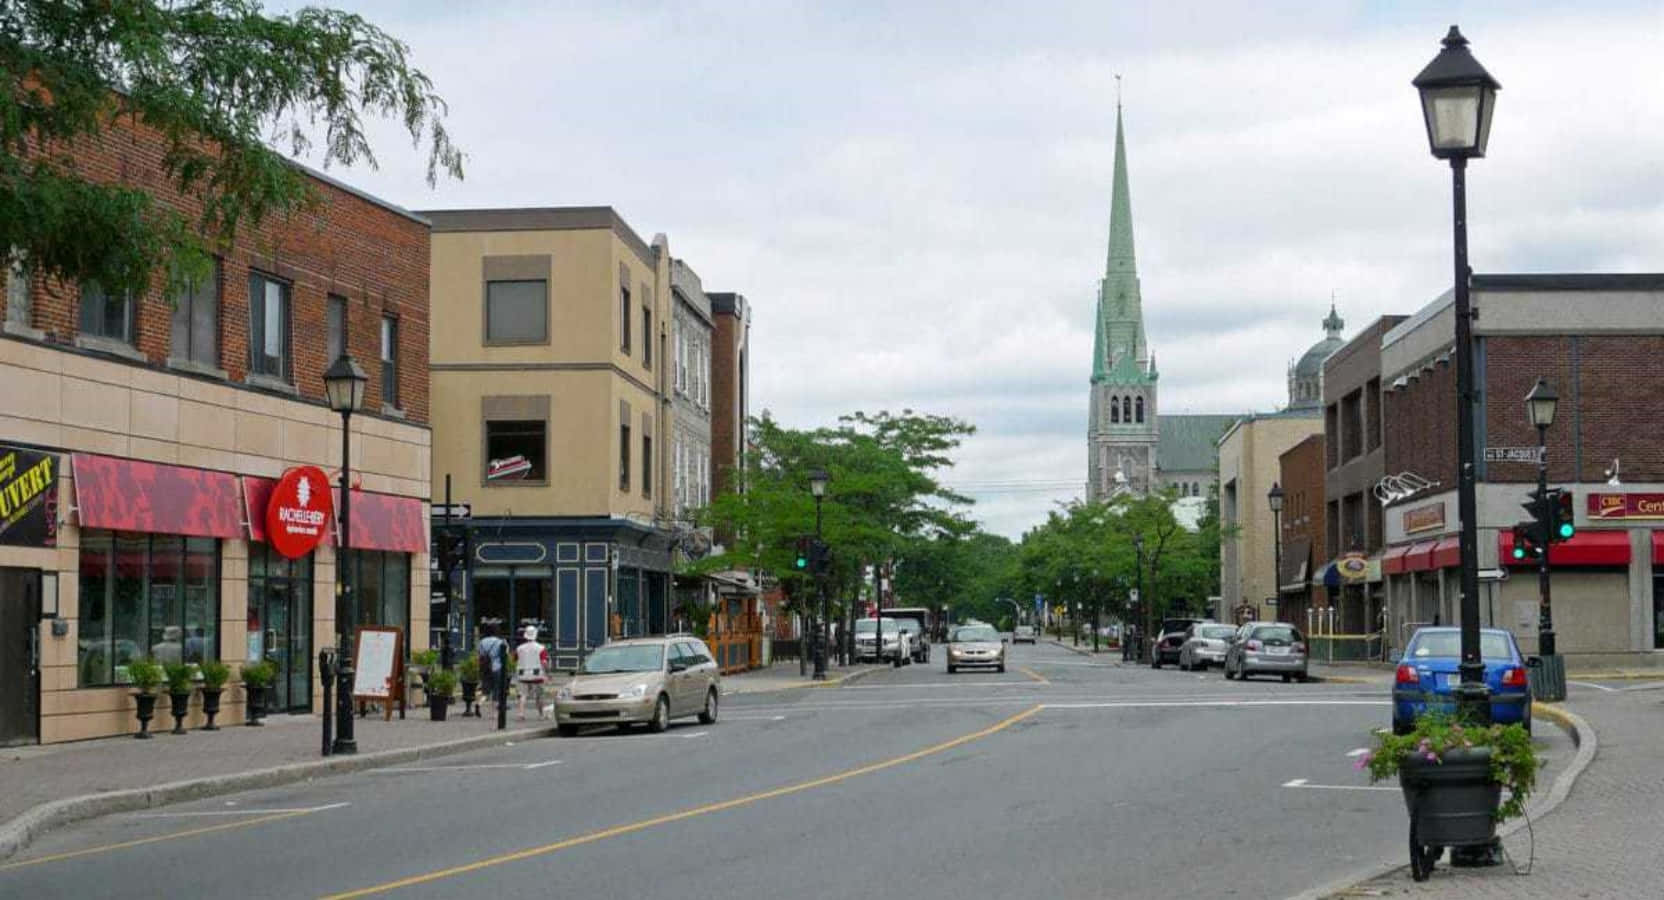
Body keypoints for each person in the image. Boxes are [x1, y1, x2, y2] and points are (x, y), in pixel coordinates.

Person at [514, 625, 549, 720]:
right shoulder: (541, 648)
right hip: (537, 674)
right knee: (539, 696)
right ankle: (541, 715)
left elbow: (515, 660)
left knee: (522, 695)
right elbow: (544, 662)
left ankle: (521, 714)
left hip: (522, 674)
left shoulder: (519, 648)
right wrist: (547, 673)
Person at [476, 622, 508, 714]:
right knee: (496, 690)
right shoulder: (500, 641)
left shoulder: (482, 641)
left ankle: (479, 703)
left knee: (485, 690)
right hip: (497, 667)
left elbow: (480, 655)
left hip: (485, 668)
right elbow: (504, 654)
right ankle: (494, 713)